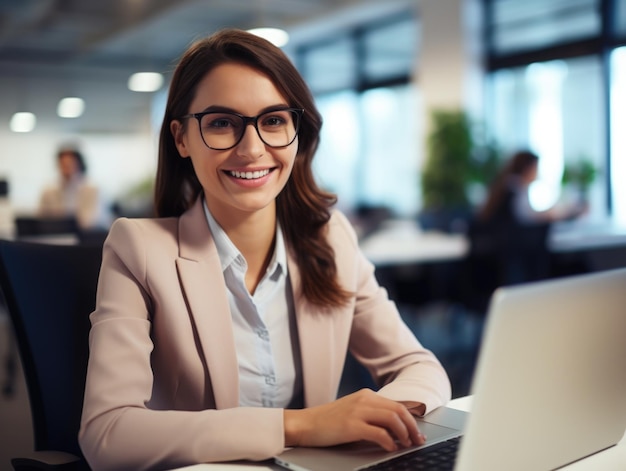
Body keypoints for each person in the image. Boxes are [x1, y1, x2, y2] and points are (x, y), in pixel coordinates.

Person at [78, 29, 451, 471]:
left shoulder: (331, 239)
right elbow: (107, 434)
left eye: (273, 120)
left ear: (297, 131)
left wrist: (374, 419)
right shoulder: (138, 249)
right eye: (221, 123)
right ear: (181, 138)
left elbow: (419, 368)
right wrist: (302, 426)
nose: (252, 149)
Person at [38, 147, 111, 229]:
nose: (66, 169)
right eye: (63, 164)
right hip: (56, 233)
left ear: (79, 164)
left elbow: (92, 219)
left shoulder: (93, 189)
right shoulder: (49, 190)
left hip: (88, 235)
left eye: (70, 164)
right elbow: (42, 217)